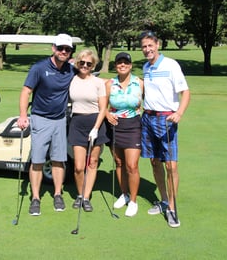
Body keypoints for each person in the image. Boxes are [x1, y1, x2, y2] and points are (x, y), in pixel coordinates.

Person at [17, 33, 76, 216]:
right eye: (60, 48)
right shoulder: (39, 68)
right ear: (53, 48)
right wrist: (22, 115)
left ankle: (58, 194)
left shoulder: (71, 69)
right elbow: (26, 92)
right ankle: (35, 198)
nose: (63, 51)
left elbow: (90, 75)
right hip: (40, 119)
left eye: (67, 49)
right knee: (37, 160)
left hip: (60, 120)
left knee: (59, 159)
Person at [139, 31, 190, 228]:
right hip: (148, 117)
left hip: (166, 118)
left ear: (157, 45)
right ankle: (163, 200)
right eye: (144, 46)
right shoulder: (145, 67)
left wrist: (179, 113)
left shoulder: (170, 65)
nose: (147, 49)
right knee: (154, 162)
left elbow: (185, 92)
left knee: (171, 165)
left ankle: (172, 207)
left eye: (150, 45)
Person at [68, 49, 109, 212]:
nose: (85, 66)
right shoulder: (71, 80)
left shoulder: (98, 83)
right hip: (77, 123)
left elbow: (103, 107)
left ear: (93, 66)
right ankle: (79, 193)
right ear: (77, 63)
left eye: (89, 64)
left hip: (95, 122)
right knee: (78, 166)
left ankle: (86, 197)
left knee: (92, 163)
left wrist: (96, 128)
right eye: (82, 62)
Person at [105, 52, 144, 217]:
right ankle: (124, 194)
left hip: (133, 125)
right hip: (114, 126)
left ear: (130, 65)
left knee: (132, 165)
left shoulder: (140, 83)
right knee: (119, 162)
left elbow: (149, 103)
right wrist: (107, 114)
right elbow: (102, 106)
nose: (122, 65)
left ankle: (133, 201)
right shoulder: (109, 83)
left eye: (125, 62)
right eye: (119, 62)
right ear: (115, 65)